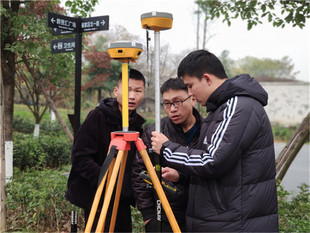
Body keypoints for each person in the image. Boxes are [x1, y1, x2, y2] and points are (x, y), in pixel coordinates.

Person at [151, 50, 279, 232]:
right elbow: (225, 168)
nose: (191, 94)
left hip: (234, 223)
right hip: (224, 220)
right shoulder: (221, 109)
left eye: (190, 85)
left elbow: (211, 160)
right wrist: (182, 176)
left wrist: (166, 148)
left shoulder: (237, 106)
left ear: (207, 79)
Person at [65, 69, 146, 232]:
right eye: (127, 89)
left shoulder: (136, 125)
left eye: (138, 91)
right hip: (97, 194)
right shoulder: (98, 116)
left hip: (122, 197)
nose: (132, 96)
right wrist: (107, 179)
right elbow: (79, 157)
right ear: (116, 91)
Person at [132, 78, 202, 232]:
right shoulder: (154, 132)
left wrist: (180, 176)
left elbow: (211, 168)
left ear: (193, 99)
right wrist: (148, 215)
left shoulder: (207, 131)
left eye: (177, 102)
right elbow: (139, 172)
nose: (172, 109)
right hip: (163, 215)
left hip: (202, 215)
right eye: (167, 104)